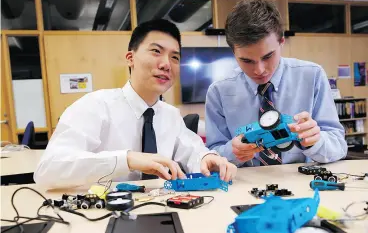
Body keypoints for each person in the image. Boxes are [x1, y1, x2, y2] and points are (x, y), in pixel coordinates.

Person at [34, 19, 237, 189]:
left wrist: (206, 158)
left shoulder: (170, 115)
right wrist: (127, 160)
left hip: (163, 213)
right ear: (130, 58)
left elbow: (192, 150)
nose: (166, 64)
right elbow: (48, 169)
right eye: (156, 51)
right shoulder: (95, 106)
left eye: (175, 57)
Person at [205, 0, 347, 167]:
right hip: (245, 185)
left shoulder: (312, 76)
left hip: (302, 181)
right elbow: (212, 153)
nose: (259, 70)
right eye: (247, 61)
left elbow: (339, 147)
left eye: (267, 56)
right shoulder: (218, 92)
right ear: (233, 52)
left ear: (281, 42)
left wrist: (315, 141)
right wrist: (231, 152)